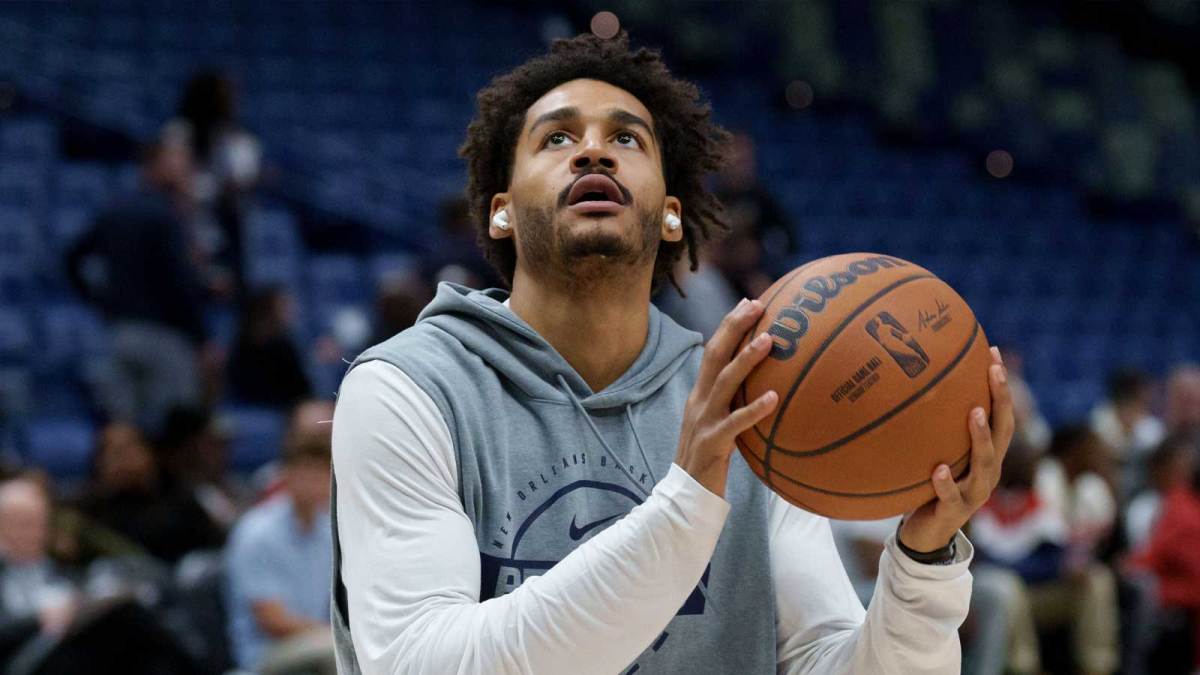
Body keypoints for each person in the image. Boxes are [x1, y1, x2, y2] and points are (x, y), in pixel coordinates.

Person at [331, 33, 1013, 674]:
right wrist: (685, 505)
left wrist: (923, 564)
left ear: (672, 213)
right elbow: (421, 661)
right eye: (557, 137)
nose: (593, 152)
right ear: (500, 211)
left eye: (626, 138)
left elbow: (821, 659)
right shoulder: (407, 388)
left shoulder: (753, 395)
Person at [65, 133, 215, 436]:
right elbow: (179, 283)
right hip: (166, 337)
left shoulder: (114, 209)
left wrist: (99, 299)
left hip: (119, 333)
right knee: (173, 432)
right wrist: (202, 338)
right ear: (153, 166)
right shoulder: (167, 215)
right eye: (176, 161)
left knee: (126, 433)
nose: (184, 169)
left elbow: (71, 259)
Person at [225, 410, 335, 675]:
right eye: (305, 473)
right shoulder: (256, 531)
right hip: (265, 656)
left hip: (317, 642)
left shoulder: (328, 530)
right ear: (287, 475)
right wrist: (336, 635)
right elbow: (272, 621)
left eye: (320, 474)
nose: (314, 483)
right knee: (340, 652)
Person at [226, 286, 313, 409]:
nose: (291, 312)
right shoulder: (243, 344)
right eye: (284, 307)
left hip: (287, 408)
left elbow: (301, 389)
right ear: (267, 311)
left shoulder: (286, 346)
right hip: (253, 406)